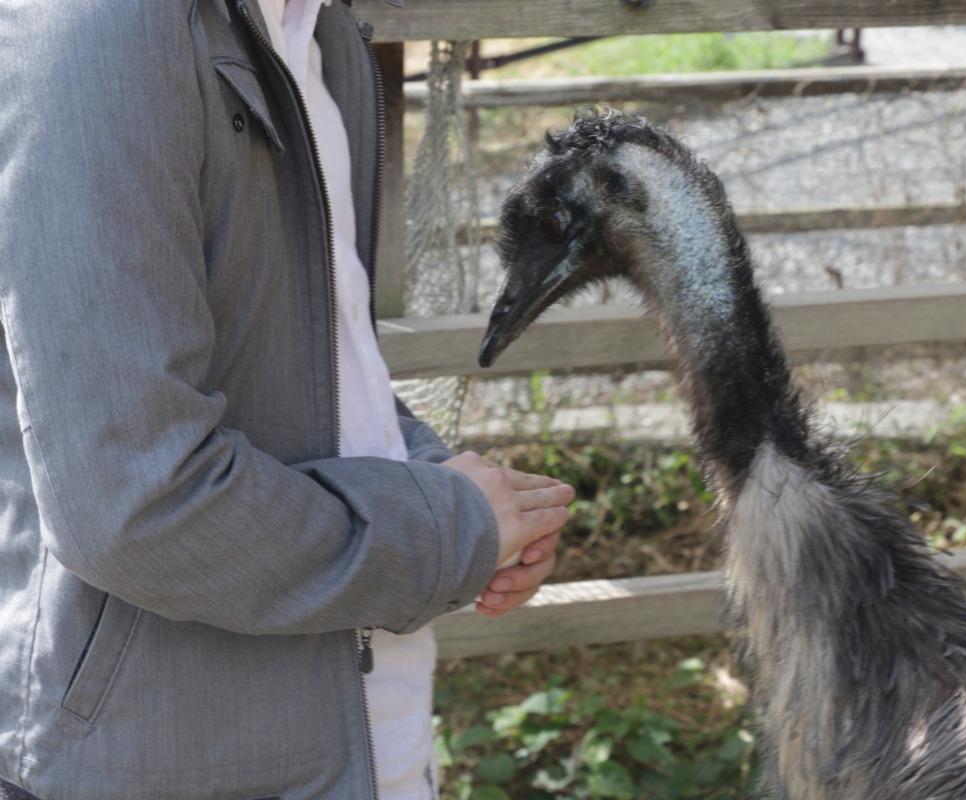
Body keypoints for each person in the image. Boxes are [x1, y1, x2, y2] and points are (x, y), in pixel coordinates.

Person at [0, 1, 573, 799]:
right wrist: (440, 529)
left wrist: (444, 486)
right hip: (168, 759)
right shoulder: (104, 25)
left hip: (362, 731)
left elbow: (314, 358)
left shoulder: (312, 26)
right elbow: (132, 498)